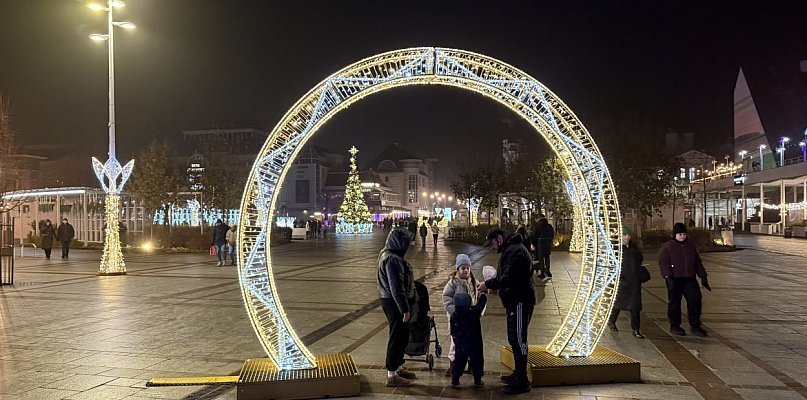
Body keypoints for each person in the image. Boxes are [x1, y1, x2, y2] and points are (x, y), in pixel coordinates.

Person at [478, 228, 536, 394]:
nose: (491, 248)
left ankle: (522, 381)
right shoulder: (512, 249)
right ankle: (518, 374)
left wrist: (488, 285)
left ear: (499, 238)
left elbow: (508, 278)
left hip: (520, 300)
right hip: (516, 299)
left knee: (518, 339)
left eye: (492, 244)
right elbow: (506, 277)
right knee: (514, 338)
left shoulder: (514, 251)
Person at [377, 227, 417, 387]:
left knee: (402, 336)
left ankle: (398, 367)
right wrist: (404, 309)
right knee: (397, 336)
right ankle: (392, 374)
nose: (408, 246)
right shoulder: (392, 259)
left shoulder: (388, 254)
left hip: (391, 300)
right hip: (394, 302)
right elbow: (396, 287)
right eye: (406, 242)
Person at [658, 222, 711, 337]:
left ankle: (695, 325)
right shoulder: (667, 247)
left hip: (689, 279)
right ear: (674, 235)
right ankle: (674, 325)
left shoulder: (690, 246)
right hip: (674, 279)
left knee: (695, 301)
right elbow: (663, 262)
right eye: (679, 234)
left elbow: (697, 262)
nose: (682, 236)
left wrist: (703, 276)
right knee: (675, 303)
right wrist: (667, 276)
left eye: (684, 234)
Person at [442, 253, 479, 376]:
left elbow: (478, 297)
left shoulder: (474, 282)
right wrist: (455, 312)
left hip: (470, 318)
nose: (466, 270)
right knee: (456, 341)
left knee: (472, 341)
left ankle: (472, 364)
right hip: (457, 319)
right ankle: (453, 364)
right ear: (458, 269)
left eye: (468, 268)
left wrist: (478, 312)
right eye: (463, 268)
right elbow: (446, 298)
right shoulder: (453, 283)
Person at [607, 226, 646, 338]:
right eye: (624, 235)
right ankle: (612, 321)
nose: (627, 237)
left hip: (634, 281)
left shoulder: (634, 248)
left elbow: (640, 259)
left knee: (635, 306)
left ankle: (636, 329)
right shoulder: (615, 249)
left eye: (628, 235)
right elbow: (611, 264)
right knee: (618, 304)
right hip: (622, 281)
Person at [449, 292, 487, 389]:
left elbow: (453, 331)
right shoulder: (474, 312)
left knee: (459, 361)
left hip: (461, 343)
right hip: (475, 342)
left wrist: (455, 339)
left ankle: (455, 380)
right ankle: (477, 380)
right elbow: (481, 305)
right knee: (476, 361)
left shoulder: (454, 315)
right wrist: (482, 295)